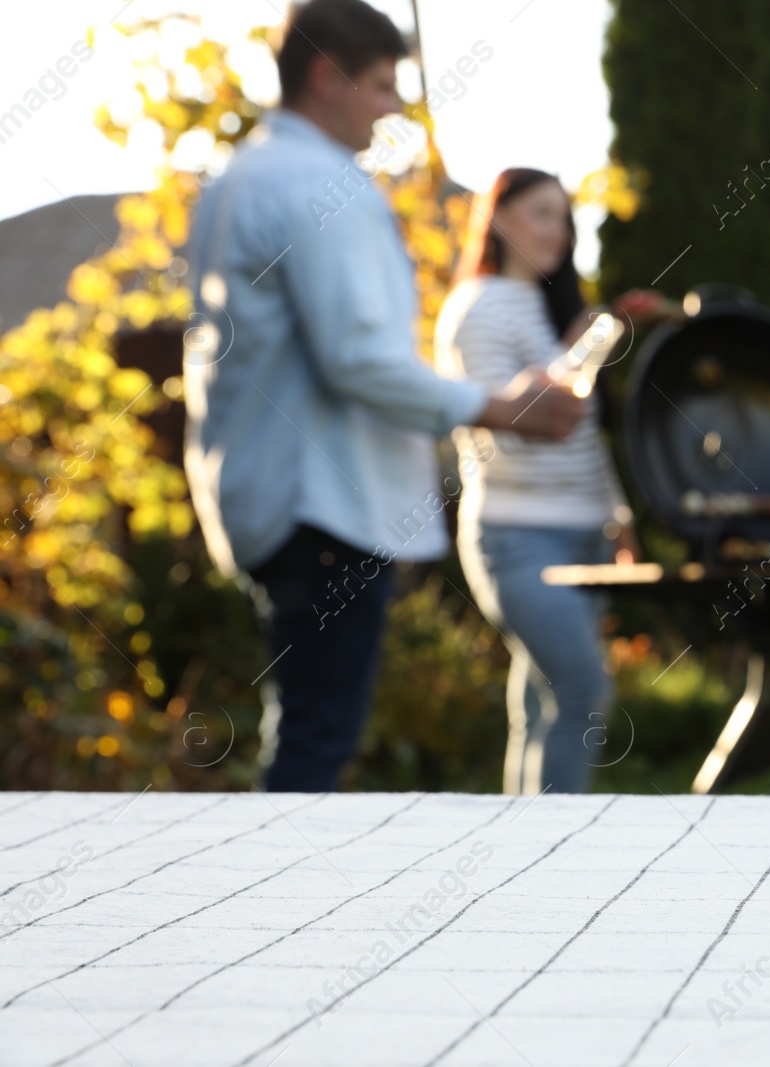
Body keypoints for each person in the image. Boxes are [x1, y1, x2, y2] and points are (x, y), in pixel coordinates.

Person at [183, 0, 582, 793]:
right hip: (322, 502)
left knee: (302, 727)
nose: (393, 108)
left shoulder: (239, 179)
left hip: (268, 494)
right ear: (327, 77)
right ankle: (275, 914)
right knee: (315, 743)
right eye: (380, 86)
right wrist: (499, 407)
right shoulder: (319, 185)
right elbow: (358, 360)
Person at [435, 168, 637, 795]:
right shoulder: (479, 306)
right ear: (498, 219)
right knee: (583, 691)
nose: (558, 231)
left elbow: (583, 434)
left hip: (586, 537)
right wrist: (589, 345)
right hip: (519, 536)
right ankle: (555, 857)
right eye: (541, 214)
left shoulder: (553, 310)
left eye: (564, 218)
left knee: (540, 707)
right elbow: (509, 418)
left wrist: (618, 512)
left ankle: (522, 849)